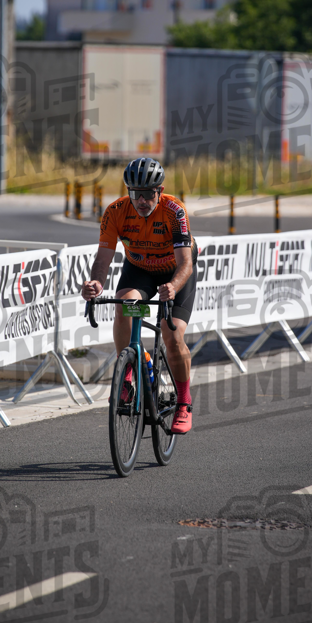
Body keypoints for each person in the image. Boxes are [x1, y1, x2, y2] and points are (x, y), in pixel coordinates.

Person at [81, 157, 196, 434]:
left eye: (147, 194)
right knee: (125, 306)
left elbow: (186, 264)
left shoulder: (174, 210)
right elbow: (103, 259)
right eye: (135, 193)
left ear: (160, 190)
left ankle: (183, 402)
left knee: (172, 336)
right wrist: (96, 283)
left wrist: (173, 286)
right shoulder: (116, 211)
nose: (141, 200)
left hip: (174, 271)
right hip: (141, 269)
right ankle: (129, 373)